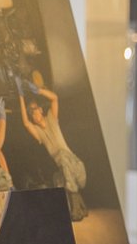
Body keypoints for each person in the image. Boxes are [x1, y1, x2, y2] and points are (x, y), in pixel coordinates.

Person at [16, 79, 89, 221]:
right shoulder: (38, 132)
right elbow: (26, 123)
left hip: (75, 164)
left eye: (34, 110)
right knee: (59, 181)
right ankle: (81, 207)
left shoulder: (52, 118)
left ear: (40, 110)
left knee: (63, 160)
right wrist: (21, 96)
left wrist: (38, 90)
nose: (33, 114)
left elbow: (54, 98)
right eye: (31, 113)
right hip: (64, 168)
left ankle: (76, 211)